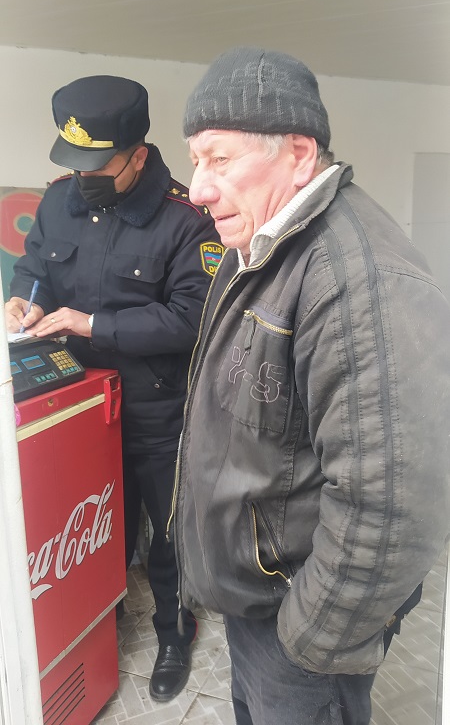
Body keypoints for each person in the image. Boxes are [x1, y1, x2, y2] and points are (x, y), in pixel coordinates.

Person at [172, 47, 450, 725]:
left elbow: (393, 505)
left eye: (219, 159)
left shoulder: (358, 281)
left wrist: (309, 643)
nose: (198, 188)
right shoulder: (259, 241)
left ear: (299, 154)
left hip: (297, 631)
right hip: (257, 606)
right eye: (195, 160)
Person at [5, 74, 223, 703]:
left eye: (97, 165)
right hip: (75, 403)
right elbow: (36, 266)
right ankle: (104, 613)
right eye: (74, 163)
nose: (84, 177)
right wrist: (25, 299)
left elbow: (192, 317)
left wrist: (94, 325)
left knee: (168, 529)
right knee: (97, 520)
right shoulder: (59, 200)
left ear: (138, 156)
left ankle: (174, 631)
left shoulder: (186, 219)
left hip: (157, 406)